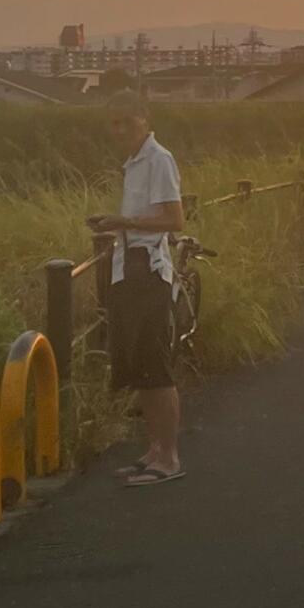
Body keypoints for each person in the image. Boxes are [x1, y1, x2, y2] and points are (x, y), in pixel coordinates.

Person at [90, 98, 186, 487]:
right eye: (114, 124)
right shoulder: (133, 163)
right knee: (141, 367)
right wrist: (114, 225)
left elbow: (174, 219)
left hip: (148, 272)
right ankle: (154, 450)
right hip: (130, 270)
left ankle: (170, 457)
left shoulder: (158, 159)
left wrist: (124, 220)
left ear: (145, 121)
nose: (119, 131)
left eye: (126, 123)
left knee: (156, 366)